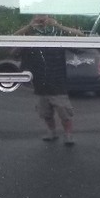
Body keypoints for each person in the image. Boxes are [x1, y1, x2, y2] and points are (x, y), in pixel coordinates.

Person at [15, 15, 81, 144]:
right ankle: (51, 132)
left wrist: (57, 25)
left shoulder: (57, 38)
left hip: (58, 84)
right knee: (45, 113)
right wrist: (30, 26)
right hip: (40, 85)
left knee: (65, 114)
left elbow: (80, 36)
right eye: (39, 19)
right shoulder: (30, 40)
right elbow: (10, 41)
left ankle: (68, 135)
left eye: (44, 19)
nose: (42, 22)